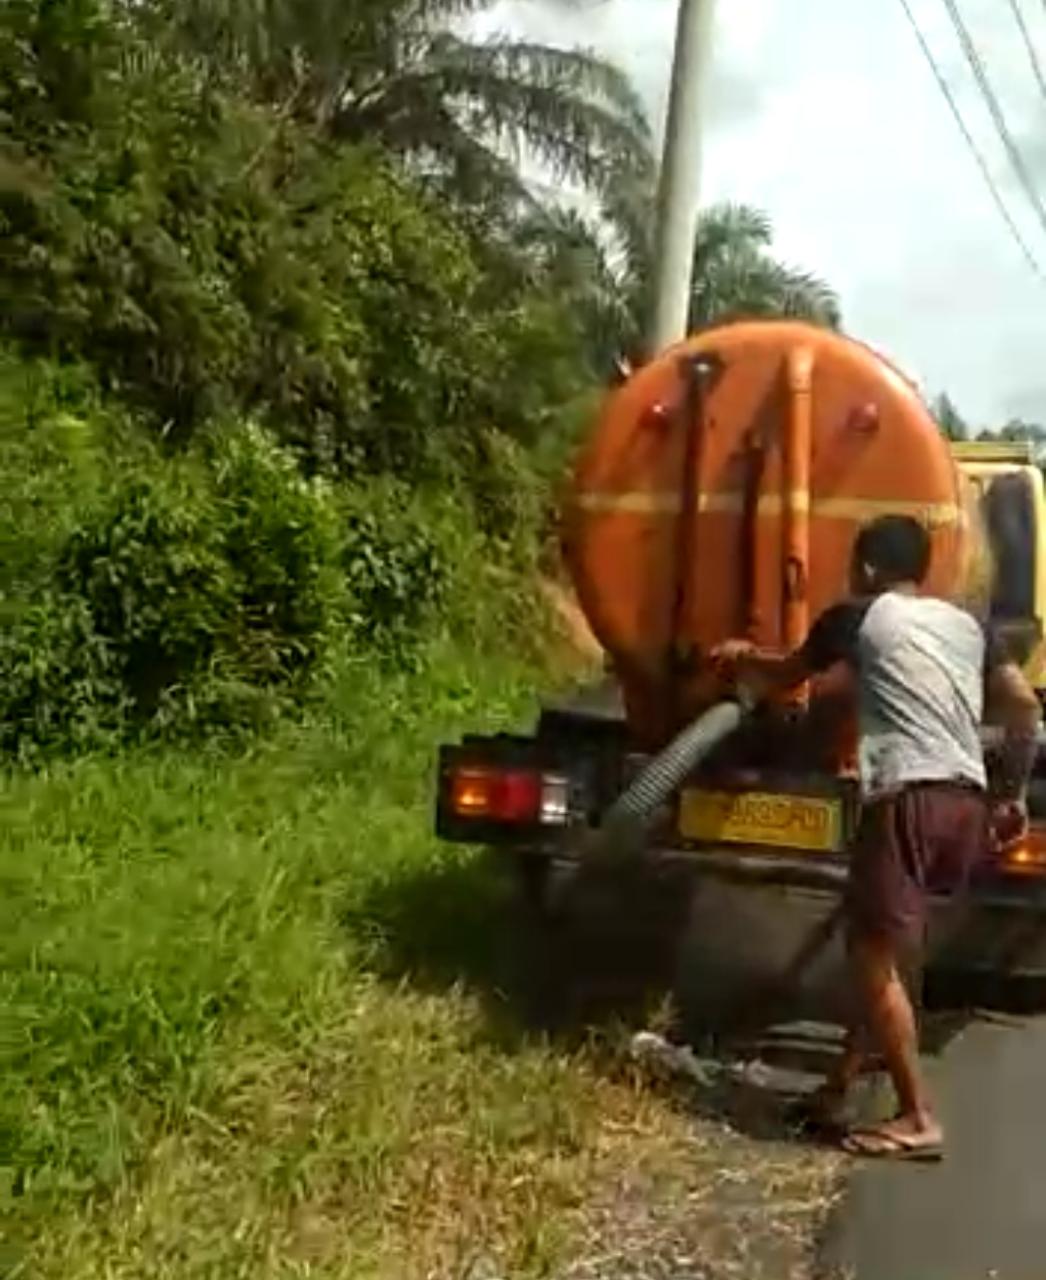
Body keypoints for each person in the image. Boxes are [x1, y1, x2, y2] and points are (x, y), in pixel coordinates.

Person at [714, 514, 1041, 1161]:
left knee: (870, 956)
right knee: (885, 954)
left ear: (866, 568)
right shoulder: (970, 624)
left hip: (907, 800)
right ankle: (836, 1088)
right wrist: (1013, 793)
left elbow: (785, 674)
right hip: (964, 804)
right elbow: (1024, 706)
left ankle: (918, 1116)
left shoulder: (858, 616)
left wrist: (740, 658)